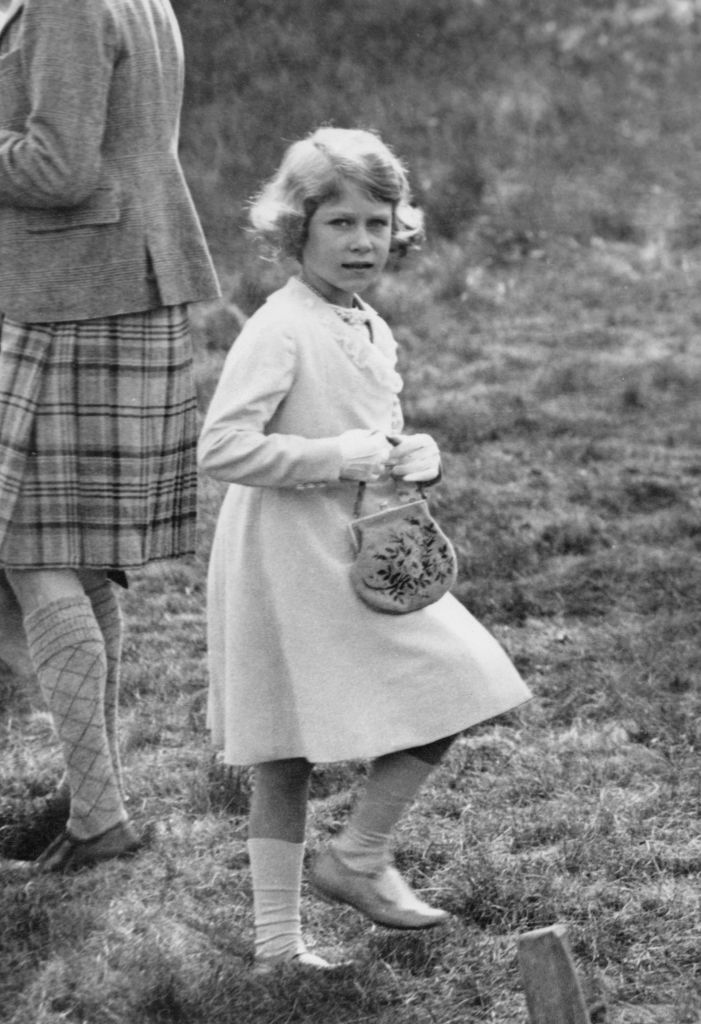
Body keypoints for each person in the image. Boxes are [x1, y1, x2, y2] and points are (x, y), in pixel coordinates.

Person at [198, 127, 531, 973]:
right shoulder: (280, 326)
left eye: (377, 223)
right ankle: (280, 944)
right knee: (282, 748)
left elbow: (369, 432)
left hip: (359, 543)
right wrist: (335, 456)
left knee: (463, 677)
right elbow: (222, 448)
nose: (361, 242)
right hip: (280, 553)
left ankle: (354, 855)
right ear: (295, 227)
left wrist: (414, 456)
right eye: (339, 222)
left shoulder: (367, 323)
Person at [0, 0, 220, 871]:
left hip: (80, 289)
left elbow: (58, 168)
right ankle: (97, 804)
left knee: (29, 548)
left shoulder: (62, 3)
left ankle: (99, 815)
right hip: (106, 280)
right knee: (75, 554)